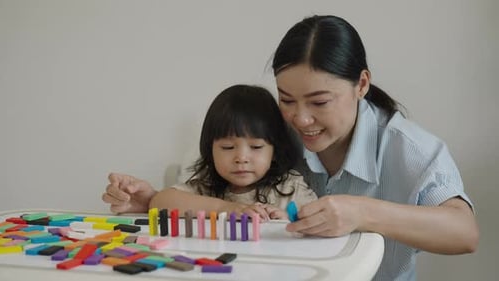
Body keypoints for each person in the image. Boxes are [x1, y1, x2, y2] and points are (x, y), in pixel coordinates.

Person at [102, 15, 478, 280]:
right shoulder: (274, 135)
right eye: (287, 99)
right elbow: (216, 190)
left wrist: (362, 212)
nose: (300, 120)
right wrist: (152, 199)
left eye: (319, 102)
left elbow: (464, 233)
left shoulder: (408, 148)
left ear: (361, 85)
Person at [103, 84, 317, 221]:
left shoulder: (290, 187)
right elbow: (161, 201)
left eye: (256, 147)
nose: (241, 158)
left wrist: (285, 224)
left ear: (275, 149)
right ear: (210, 149)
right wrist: (229, 209)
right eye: (227, 147)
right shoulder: (205, 186)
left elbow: (317, 230)